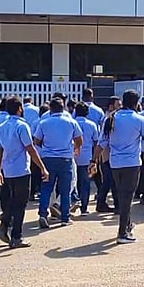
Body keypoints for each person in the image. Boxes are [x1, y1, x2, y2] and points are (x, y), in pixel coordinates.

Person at [99, 89, 144, 244]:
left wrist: (93, 161)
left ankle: (127, 225)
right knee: (127, 198)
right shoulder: (139, 120)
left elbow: (102, 142)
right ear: (137, 103)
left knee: (122, 194)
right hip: (131, 163)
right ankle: (122, 231)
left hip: (115, 163)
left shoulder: (111, 119)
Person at [0, 96, 49, 249]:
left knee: (12, 200)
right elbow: (30, 148)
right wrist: (42, 167)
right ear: (19, 109)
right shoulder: (22, 126)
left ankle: (5, 223)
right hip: (21, 170)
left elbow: (0, 151)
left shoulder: (2, 126)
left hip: (8, 170)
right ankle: (16, 236)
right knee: (20, 204)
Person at [33, 98, 83, 227]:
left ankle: (43, 214)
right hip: (65, 158)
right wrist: (76, 149)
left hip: (48, 159)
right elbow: (79, 139)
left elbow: (37, 141)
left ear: (50, 109)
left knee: (47, 188)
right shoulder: (71, 122)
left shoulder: (44, 122)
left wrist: (42, 152)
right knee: (65, 190)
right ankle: (65, 218)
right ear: (63, 108)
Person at [93, 96, 121, 213]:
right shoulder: (108, 119)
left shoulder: (115, 118)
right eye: (118, 105)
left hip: (111, 156)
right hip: (107, 155)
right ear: (111, 106)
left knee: (110, 181)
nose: (120, 107)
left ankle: (106, 203)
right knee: (110, 181)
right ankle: (105, 203)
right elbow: (103, 140)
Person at [73, 102, 99, 215]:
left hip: (72, 157)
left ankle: (73, 203)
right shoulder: (92, 125)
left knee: (73, 182)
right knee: (85, 183)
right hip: (87, 157)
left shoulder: (72, 123)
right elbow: (96, 141)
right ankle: (84, 207)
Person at [23, 96, 42, 197]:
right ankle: (38, 190)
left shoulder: (21, 109)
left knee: (32, 169)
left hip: (24, 140)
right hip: (36, 144)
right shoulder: (36, 110)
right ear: (32, 101)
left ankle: (31, 193)